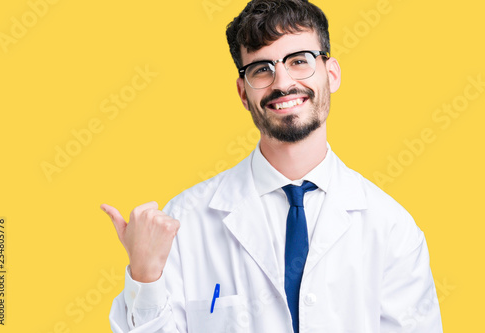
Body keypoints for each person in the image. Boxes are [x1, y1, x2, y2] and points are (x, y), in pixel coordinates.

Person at [101, 0, 443, 332]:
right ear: (242, 93)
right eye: (261, 69)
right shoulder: (185, 221)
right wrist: (145, 277)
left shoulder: (391, 228)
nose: (281, 82)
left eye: (299, 61)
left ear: (332, 74)